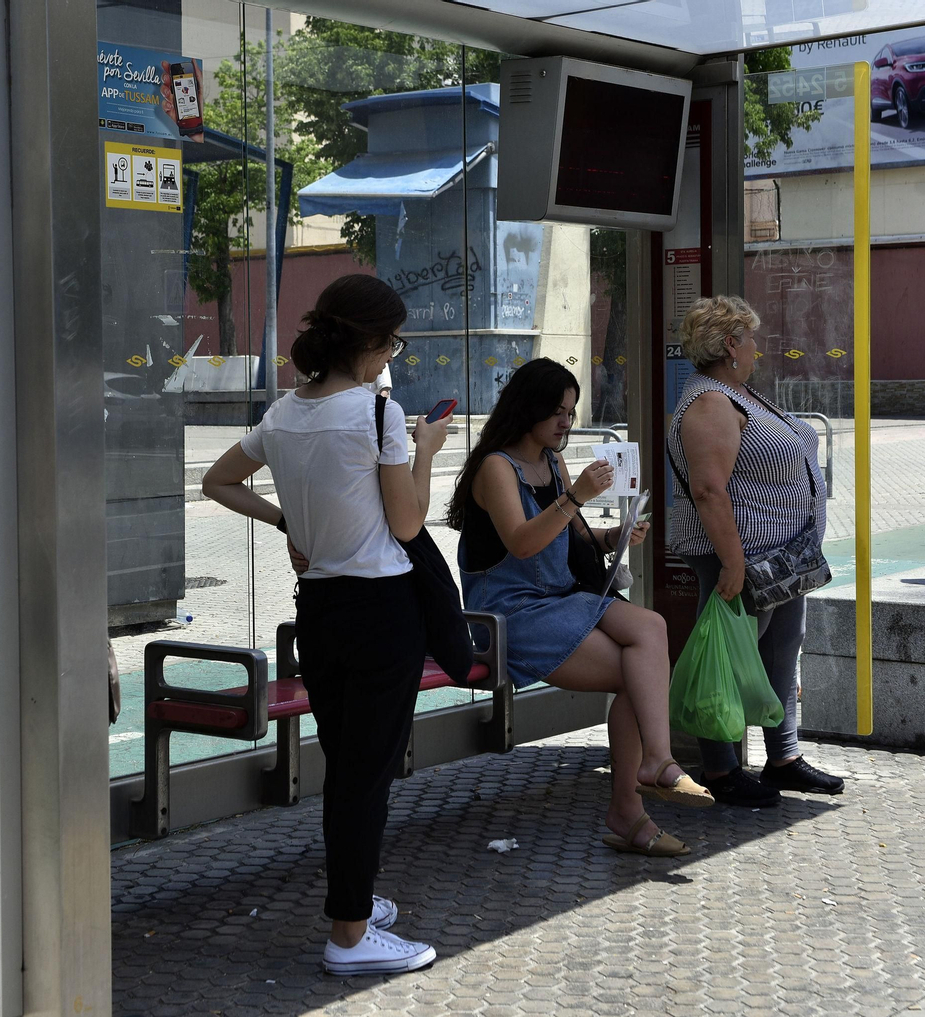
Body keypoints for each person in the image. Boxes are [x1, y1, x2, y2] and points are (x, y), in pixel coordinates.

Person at [202, 275, 449, 974]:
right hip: (381, 611)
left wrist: (286, 519)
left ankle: (357, 900)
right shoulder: (378, 415)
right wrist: (425, 448)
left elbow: (217, 481)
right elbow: (407, 523)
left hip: (321, 611)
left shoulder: (283, 414)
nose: (391, 354)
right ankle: (349, 933)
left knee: (349, 765)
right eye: (392, 341)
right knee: (366, 775)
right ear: (371, 342)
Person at [447, 358, 712, 859]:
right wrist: (577, 496)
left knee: (650, 628)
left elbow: (572, 539)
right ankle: (632, 807)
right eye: (556, 411)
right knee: (640, 675)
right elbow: (524, 544)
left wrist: (616, 533)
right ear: (527, 408)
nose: (565, 422)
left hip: (561, 595)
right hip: (510, 610)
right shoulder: (495, 467)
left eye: (571, 411)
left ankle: (655, 763)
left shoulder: (552, 462)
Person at [666, 295, 844, 807]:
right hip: (744, 557)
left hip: (783, 557)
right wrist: (733, 561)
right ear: (730, 344)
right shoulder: (710, 403)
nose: (757, 348)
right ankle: (720, 770)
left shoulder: (739, 393)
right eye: (750, 338)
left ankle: (783, 757)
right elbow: (708, 489)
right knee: (729, 656)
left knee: (781, 650)